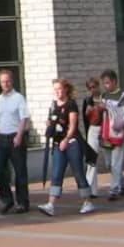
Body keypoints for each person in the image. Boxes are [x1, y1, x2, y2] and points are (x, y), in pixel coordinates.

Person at [38, 78, 95, 216]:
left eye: (59, 89)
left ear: (65, 89)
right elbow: (54, 122)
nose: (57, 92)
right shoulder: (53, 105)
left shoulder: (71, 105)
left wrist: (67, 139)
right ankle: (51, 204)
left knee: (78, 172)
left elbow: (73, 126)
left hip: (72, 143)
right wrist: (48, 124)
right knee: (56, 173)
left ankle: (88, 201)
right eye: (55, 89)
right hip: (58, 144)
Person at [0, 68, 31, 214]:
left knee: (20, 172)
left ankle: (22, 202)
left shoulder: (18, 98)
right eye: (2, 81)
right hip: (0, 138)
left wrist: (19, 135)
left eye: (7, 81)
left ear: (12, 81)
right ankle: (7, 199)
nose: (5, 84)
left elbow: (24, 118)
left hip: (15, 137)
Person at [91, 69, 124, 199]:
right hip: (106, 134)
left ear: (114, 81)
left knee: (116, 163)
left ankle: (114, 190)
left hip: (119, 134)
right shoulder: (104, 95)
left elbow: (123, 112)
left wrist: (108, 107)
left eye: (108, 83)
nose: (106, 86)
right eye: (104, 83)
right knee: (109, 164)